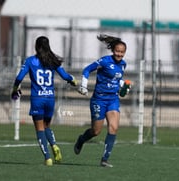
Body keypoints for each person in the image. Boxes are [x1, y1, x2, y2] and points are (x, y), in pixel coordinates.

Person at [11, 36, 77, 166]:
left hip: (37, 99)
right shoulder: (52, 61)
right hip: (50, 99)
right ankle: (54, 145)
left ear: (36, 47)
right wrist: (72, 80)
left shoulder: (30, 61)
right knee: (47, 126)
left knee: (40, 129)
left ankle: (47, 158)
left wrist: (14, 89)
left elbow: (19, 77)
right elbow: (64, 76)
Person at [74, 34, 131, 167]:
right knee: (96, 131)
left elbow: (117, 80)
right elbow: (87, 69)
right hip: (99, 99)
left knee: (114, 127)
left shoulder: (123, 64)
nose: (119, 54)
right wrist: (83, 85)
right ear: (113, 50)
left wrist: (124, 87)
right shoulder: (105, 61)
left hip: (113, 99)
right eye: (117, 51)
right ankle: (81, 139)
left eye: (122, 52)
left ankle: (104, 159)